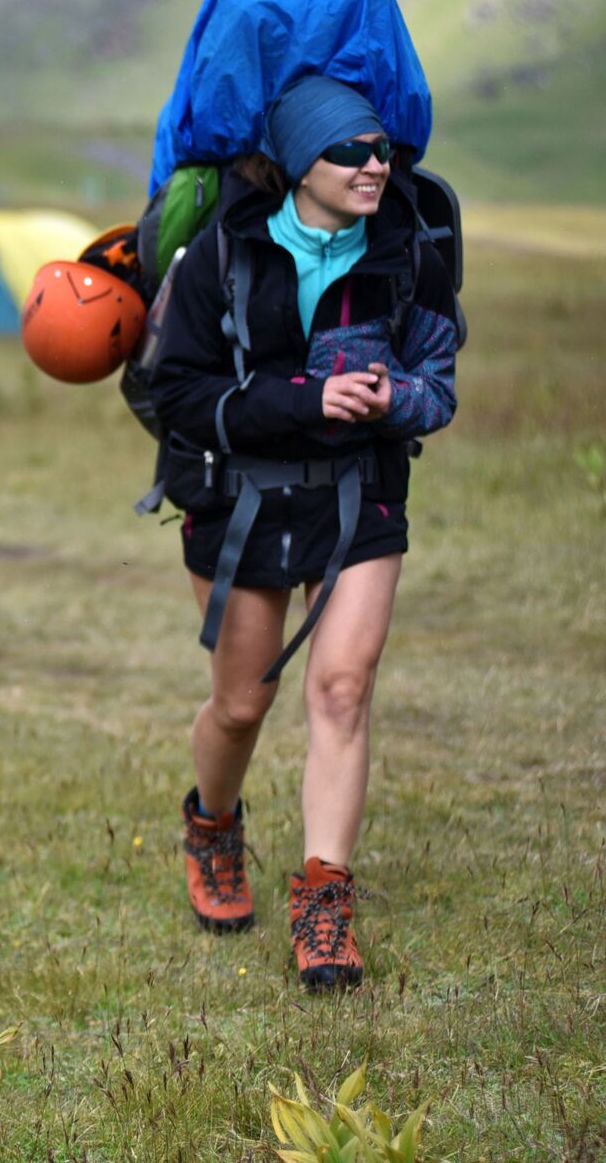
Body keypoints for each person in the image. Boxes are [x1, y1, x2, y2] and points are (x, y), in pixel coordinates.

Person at [149, 76, 461, 991]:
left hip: (359, 495)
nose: (376, 165)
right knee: (243, 704)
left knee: (341, 688)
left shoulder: (411, 250)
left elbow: (437, 382)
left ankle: (325, 904)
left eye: (382, 148)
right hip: (239, 496)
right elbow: (179, 395)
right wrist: (303, 397)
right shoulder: (223, 255)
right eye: (350, 152)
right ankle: (212, 827)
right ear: (300, 167)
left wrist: (390, 397)